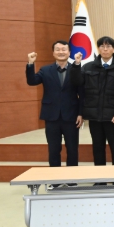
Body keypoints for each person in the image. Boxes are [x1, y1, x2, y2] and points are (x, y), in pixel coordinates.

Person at [70, 36, 114, 171]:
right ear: (98, 49)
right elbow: (77, 83)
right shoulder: (88, 67)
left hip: (113, 116)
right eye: (102, 46)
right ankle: (100, 177)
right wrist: (76, 65)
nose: (105, 49)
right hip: (94, 116)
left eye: (108, 46)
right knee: (97, 148)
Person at [26, 41, 83, 175]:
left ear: (69, 52)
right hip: (51, 116)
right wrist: (30, 64)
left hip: (71, 116)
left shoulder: (76, 69)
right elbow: (32, 81)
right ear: (53, 53)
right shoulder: (45, 70)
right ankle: (55, 179)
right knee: (53, 149)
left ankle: (72, 179)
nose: (61, 52)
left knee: (72, 149)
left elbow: (82, 94)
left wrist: (81, 113)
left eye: (64, 49)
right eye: (57, 49)